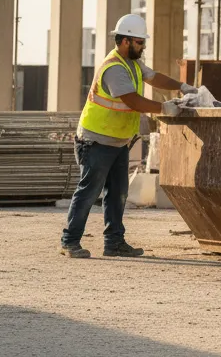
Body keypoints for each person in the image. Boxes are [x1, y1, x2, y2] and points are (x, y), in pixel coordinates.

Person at [60, 14, 192, 259]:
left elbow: (154, 77)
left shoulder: (132, 63)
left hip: (117, 141)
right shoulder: (114, 68)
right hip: (96, 141)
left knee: (118, 194)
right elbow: (132, 100)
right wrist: (164, 108)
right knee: (88, 193)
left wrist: (182, 86)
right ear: (125, 41)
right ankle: (70, 241)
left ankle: (114, 243)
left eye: (143, 42)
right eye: (139, 42)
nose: (143, 47)